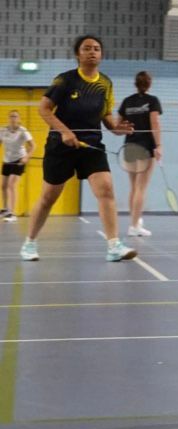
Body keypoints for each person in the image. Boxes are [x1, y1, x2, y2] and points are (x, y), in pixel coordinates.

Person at [20, 35, 137, 262]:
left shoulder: (105, 83)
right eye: (87, 48)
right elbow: (44, 109)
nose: (92, 52)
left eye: (96, 48)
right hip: (60, 146)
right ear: (78, 54)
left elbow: (105, 115)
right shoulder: (65, 80)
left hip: (91, 144)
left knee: (106, 189)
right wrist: (65, 131)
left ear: (101, 55)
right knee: (48, 198)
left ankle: (113, 245)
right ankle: (29, 243)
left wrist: (116, 128)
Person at [117, 71, 163, 238]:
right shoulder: (152, 101)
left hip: (129, 146)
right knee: (141, 188)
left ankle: (134, 222)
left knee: (134, 187)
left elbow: (117, 125)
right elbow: (154, 123)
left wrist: (129, 130)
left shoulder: (127, 101)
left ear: (136, 84)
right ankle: (134, 226)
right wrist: (158, 146)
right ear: (149, 84)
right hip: (145, 147)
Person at [1, 109, 34, 221]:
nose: (13, 118)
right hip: (7, 160)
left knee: (11, 185)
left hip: (19, 160)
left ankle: (12, 213)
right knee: (3, 186)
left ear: (19, 119)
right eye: (11, 116)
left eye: (15, 116)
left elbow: (33, 146)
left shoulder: (23, 131)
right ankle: (5, 209)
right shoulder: (3, 130)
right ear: (8, 118)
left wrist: (27, 157)